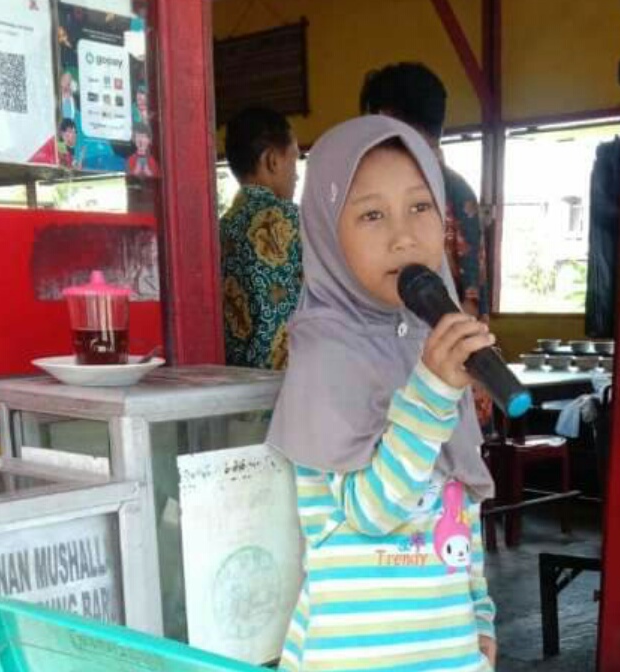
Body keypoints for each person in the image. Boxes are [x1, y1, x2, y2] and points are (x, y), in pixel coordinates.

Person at [268, 115, 497, 672]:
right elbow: (372, 510)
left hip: (449, 655)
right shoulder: (325, 353)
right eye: (372, 214)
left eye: (420, 206)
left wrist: (480, 614)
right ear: (326, 231)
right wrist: (432, 392)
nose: (403, 236)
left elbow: (459, 500)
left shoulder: (435, 344)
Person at [360, 62, 494, 429]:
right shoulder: (454, 189)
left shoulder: (440, 191)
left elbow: (467, 304)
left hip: (437, 380)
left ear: (386, 117)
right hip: (423, 374)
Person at [220, 106, 301, 369]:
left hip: (234, 384)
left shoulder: (220, 229)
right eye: (294, 160)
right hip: (291, 383)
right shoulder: (296, 222)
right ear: (272, 161)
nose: (297, 174)